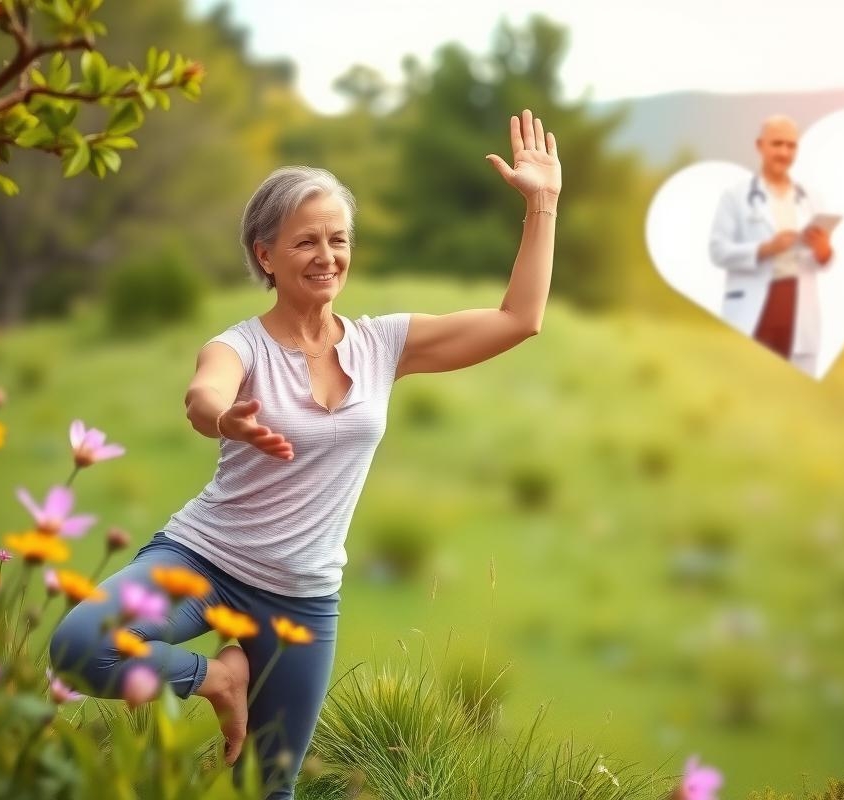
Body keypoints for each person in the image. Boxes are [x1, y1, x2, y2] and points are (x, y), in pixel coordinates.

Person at [48, 108, 561, 799]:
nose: (327, 257)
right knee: (80, 646)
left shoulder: (383, 344)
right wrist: (226, 420)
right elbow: (205, 395)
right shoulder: (239, 346)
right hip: (202, 561)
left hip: (302, 597)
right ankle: (218, 679)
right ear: (265, 254)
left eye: (338, 240)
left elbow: (517, 320)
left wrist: (542, 203)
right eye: (305, 243)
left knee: (269, 790)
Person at [708, 114, 833, 376]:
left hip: (798, 309)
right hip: (756, 308)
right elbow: (718, 251)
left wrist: (825, 254)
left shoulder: (811, 198)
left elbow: (823, 258)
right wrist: (765, 248)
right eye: (777, 144)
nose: (784, 152)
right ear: (759, 146)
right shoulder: (736, 197)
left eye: (791, 146)